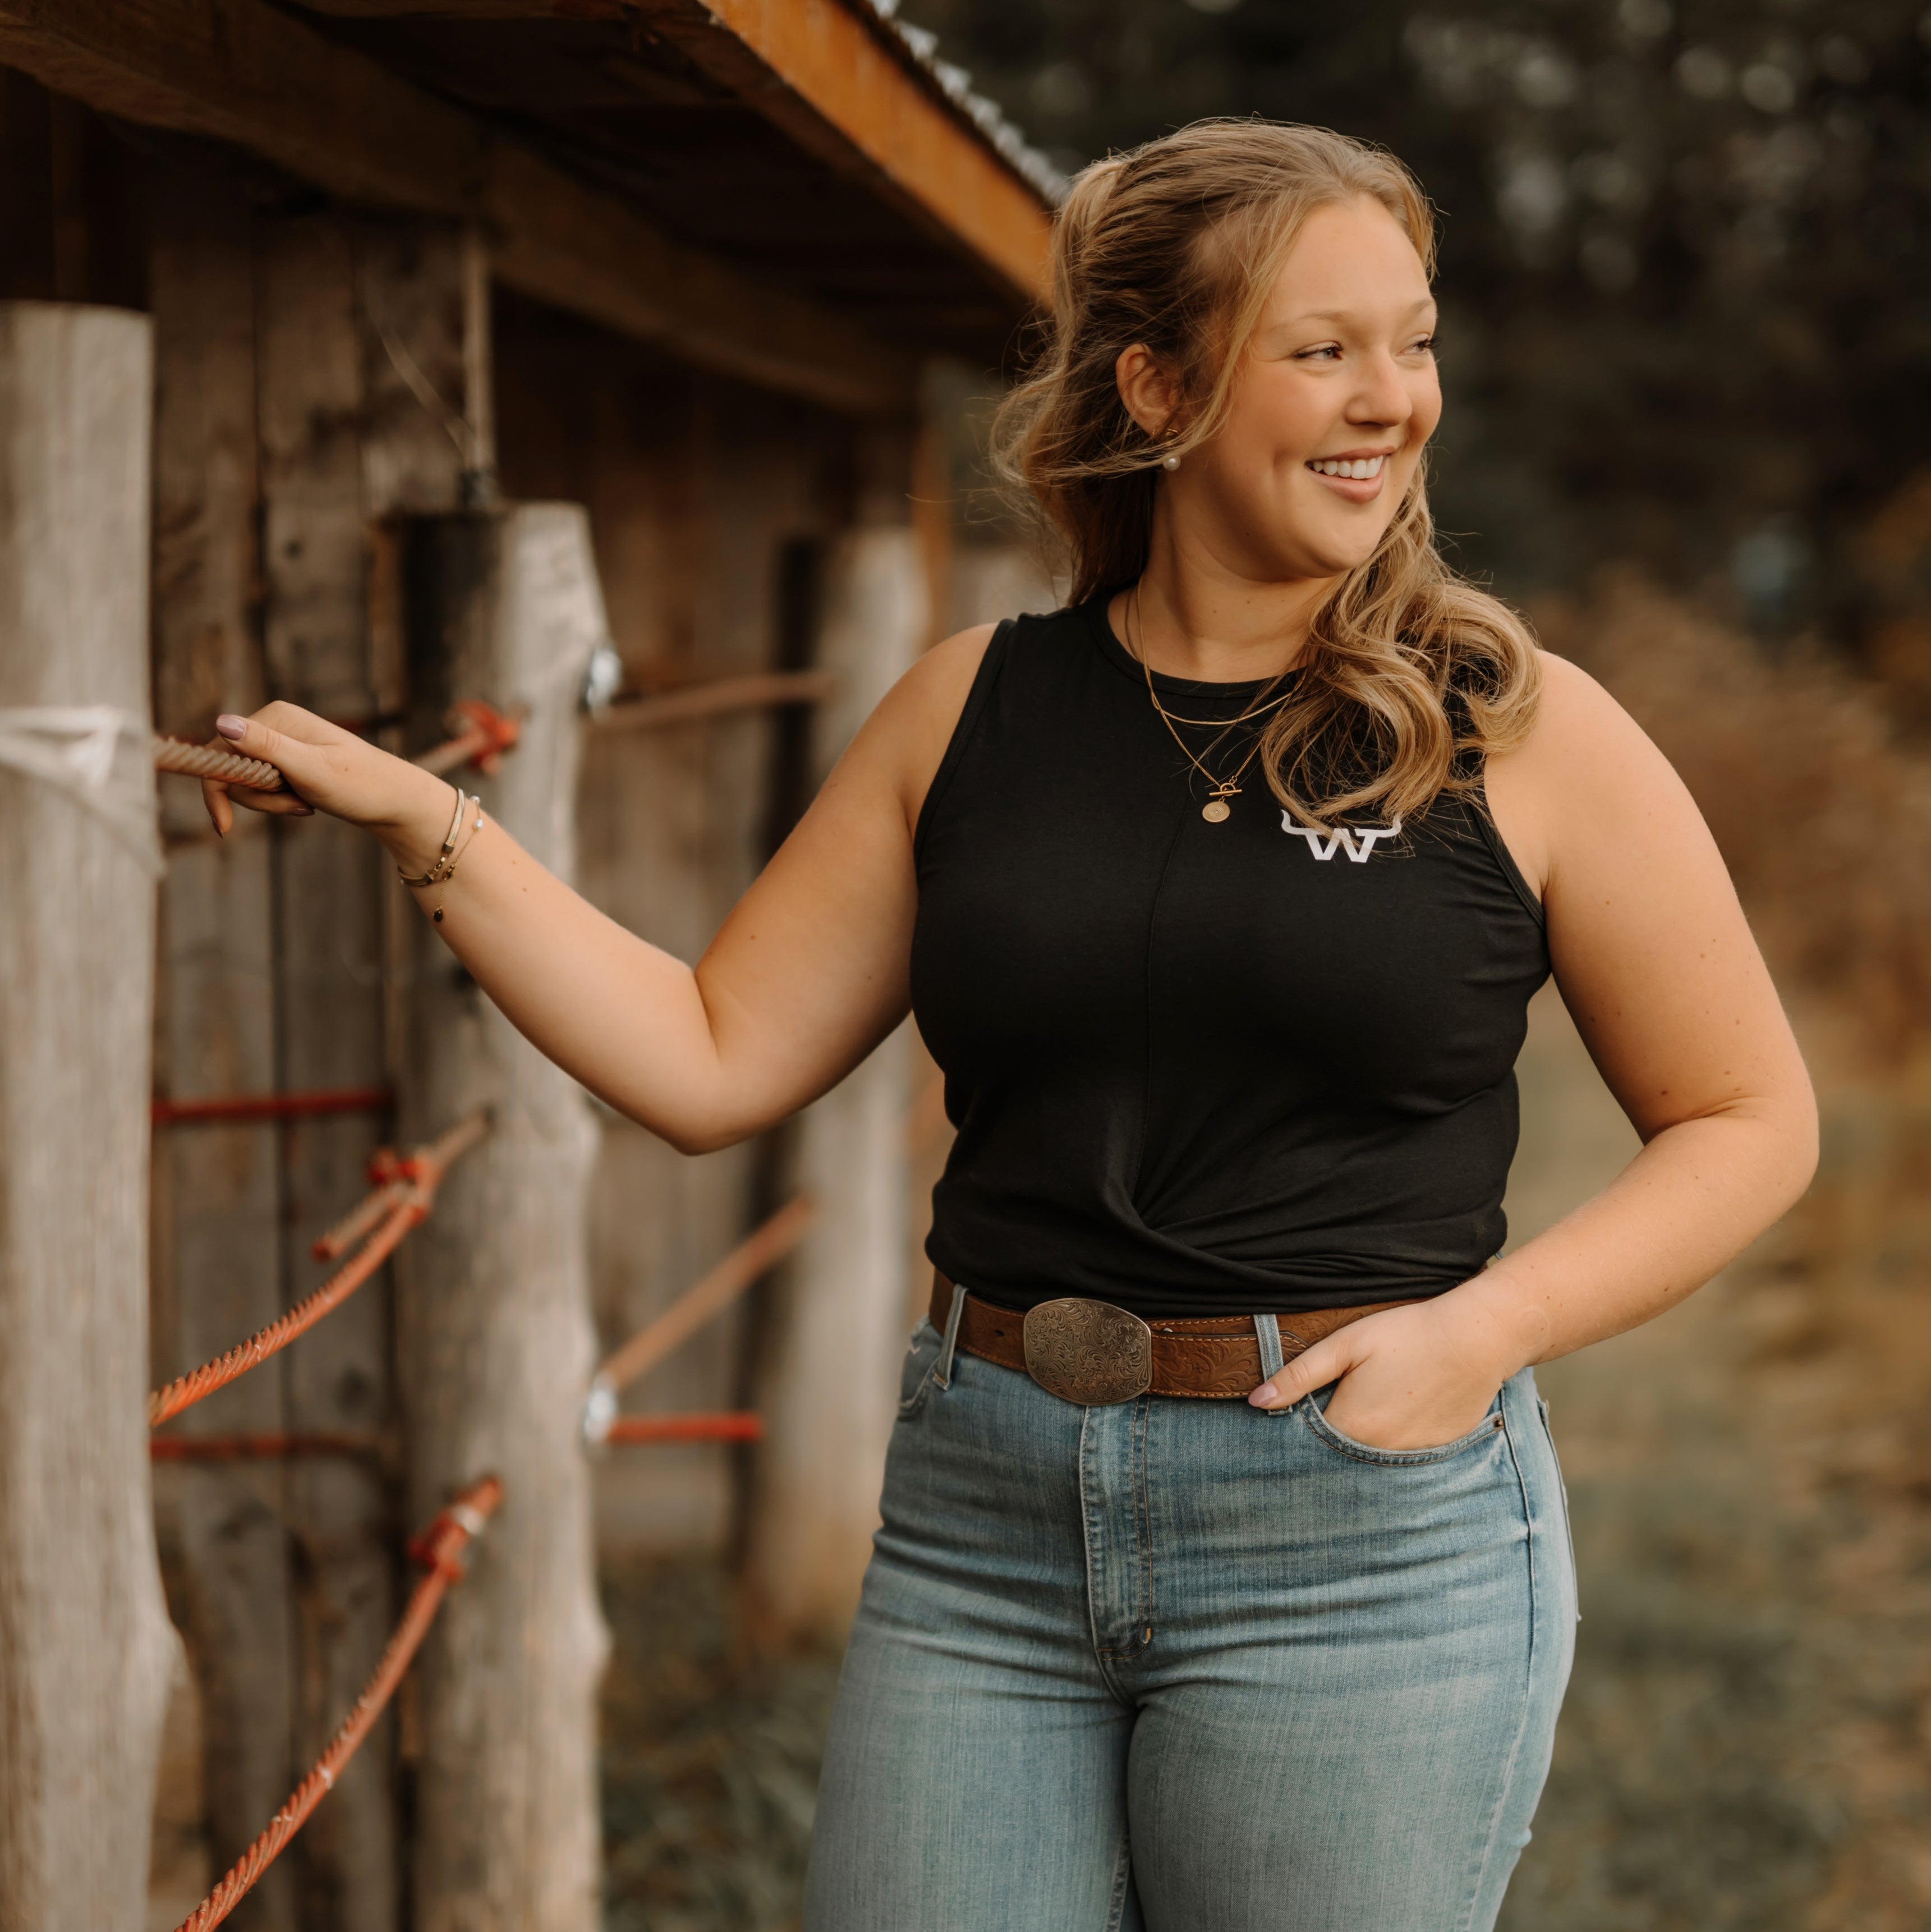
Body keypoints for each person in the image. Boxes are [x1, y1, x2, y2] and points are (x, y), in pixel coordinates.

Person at [203, 120, 1817, 1932]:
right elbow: (710, 1056)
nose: (1394, 400)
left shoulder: (1508, 724)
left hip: (1354, 1537)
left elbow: (1748, 1115)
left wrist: (1484, 1332)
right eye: (1322, 349)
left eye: (1413, 341)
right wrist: (433, 825)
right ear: (1158, 386)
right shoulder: (972, 705)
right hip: (984, 1521)